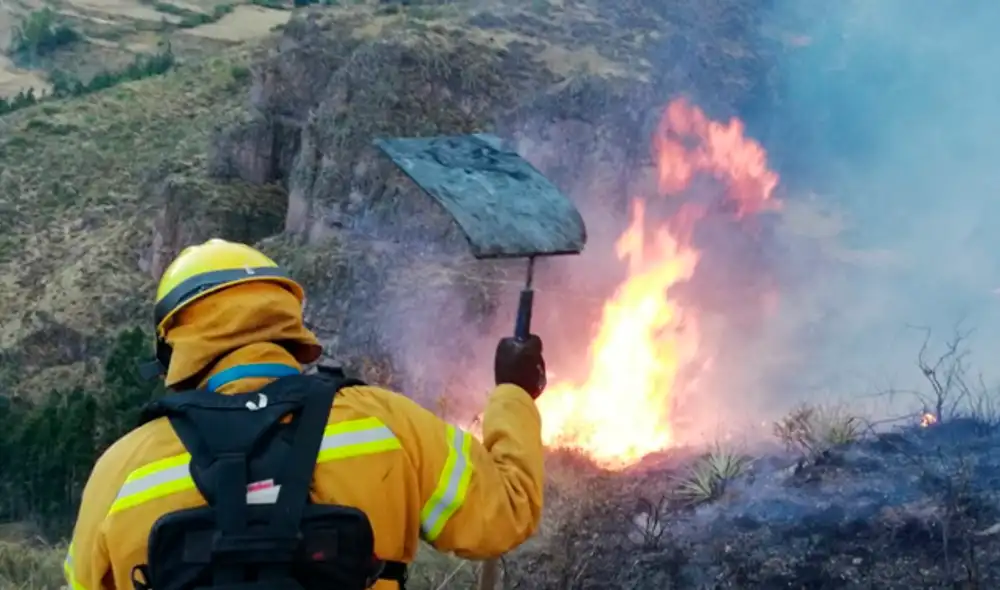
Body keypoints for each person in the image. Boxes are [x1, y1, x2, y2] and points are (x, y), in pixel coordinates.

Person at [64, 238, 548, 590]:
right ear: (288, 324)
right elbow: (505, 512)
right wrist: (514, 392)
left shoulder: (120, 472)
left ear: (173, 348)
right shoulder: (384, 424)